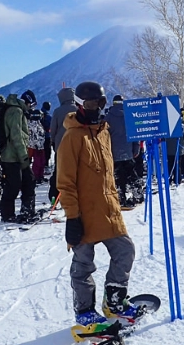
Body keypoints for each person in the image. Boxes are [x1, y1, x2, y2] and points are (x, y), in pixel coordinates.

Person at [57, 81, 140, 326]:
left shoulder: (104, 131)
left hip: (108, 210)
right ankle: (84, 311)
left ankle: (114, 300)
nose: (98, 107)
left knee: (125, 251)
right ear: (80, 105)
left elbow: (106, 174)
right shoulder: (72, 137)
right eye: (92, 103)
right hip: (84, 213)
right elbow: (65, 183)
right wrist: (72, 217)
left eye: (101, 102)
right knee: (83, 264)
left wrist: (115, 202)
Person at [0, 90, 37, 222]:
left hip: (14, 154)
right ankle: (7, 214)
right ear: (28, 102)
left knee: (28, 180)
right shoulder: (16, 111)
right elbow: (16, 135)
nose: (32, 108)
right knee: (13, 185)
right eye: (32, 104)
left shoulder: (16, 109)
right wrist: (23, 155)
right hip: (12, 155)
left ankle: (27, 209)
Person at [106, 95, 142, 207]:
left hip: (113, 153)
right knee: (132, 174)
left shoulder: (108, 118)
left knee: (117, 176)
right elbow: (135, 134)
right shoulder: (129, 116)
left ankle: (120, 198)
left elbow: (104, 137)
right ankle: (137, 195)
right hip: (128, 151)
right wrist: (136, 149)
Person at [49, 87, 77, 204]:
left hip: (60, 147)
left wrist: (53, 141)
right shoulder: (78, 110)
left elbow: (53, 129)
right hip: (76, 147)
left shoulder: (57, 111)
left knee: (58, 173)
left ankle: (53, 199)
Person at [27, 108, 47, 184]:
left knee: (41, 162)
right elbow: (35, 136)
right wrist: (37, 146)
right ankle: (36, 177)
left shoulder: (37, 123)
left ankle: (39, 176)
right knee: (38, 163)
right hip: (36, 146)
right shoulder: (33, 124)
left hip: (39, 146)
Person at [41, 101, 53, 168]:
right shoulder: (49, 117)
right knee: (47, 151)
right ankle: (46, 164)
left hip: (38, 137)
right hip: (47, 136)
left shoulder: (38, 114)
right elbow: (52, 127)